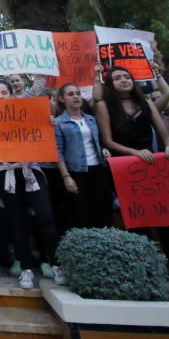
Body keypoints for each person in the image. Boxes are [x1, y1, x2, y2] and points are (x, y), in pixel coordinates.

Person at [93, 66, 169, 278]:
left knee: (167, 214)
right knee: (136, 218)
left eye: (127, 77)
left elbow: (163, 132)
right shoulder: (104, 106)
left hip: (151, 166)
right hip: (123, 167)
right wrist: (134, 152)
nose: (124, 81)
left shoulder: (146, 104)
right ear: (110, 84)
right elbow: (107, 140)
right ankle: (145, 265)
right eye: (117, 78)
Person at [0, 79, 65, 289]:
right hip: (6, 174)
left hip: (31, 171)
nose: (1, 96)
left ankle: (55, 263)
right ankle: (26, 269)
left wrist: (49, 123)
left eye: (4, 92)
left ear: (11, 95)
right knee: (17, 221)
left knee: (46, 217)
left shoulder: (26, 112)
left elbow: (39, 90)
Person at [54, 84, 113, 230]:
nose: (76, 96)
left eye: (78, 93)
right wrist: (66, 176)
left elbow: (97, 141)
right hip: (77, 173)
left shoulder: (91, 119)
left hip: (98, 170)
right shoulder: (58, 123)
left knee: (102, 212)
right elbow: (58, 152)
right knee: (81, 215)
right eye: (71, 94)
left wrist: (103, 150)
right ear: (62, 99)